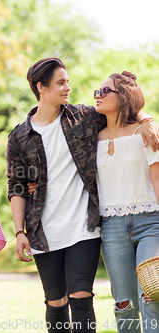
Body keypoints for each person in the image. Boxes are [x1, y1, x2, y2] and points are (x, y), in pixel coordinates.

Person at [6, 58, 158, 333]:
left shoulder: (84, 117)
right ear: (41, 87)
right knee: (55, 302)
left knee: (82, 299)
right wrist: (19, 231)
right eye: (61, 83)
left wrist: (147, 119)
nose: (68, 87)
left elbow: (124, 110)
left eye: (67, 81)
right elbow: (16, 185)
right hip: (42, 229)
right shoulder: (19, 136)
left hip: (84, 228)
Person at [94, 71, 159, 333]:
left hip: (150, 222)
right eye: (96, 92)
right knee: (124, 303)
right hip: (111, 228)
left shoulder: (146, 134)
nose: (98, 96)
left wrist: (146, 119)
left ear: (123, 97)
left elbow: (157, 179)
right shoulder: (91, 136)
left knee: (152, 294)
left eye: (105, 91)